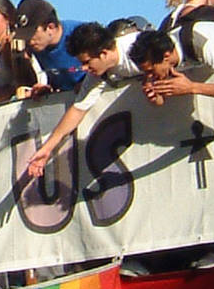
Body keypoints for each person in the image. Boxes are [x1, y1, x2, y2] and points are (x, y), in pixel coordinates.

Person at [25, 22, 143, 178]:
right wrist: (47, 149)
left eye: (87, 62)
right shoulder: (96, 75)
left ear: (104, 53)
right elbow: (78, 110)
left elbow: (172, 55)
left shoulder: (138, 47)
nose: (84, 69)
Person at [128, 27, 214, 105]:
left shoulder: (200, 43)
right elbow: (161, 101)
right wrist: (157, 96)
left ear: (166, 56)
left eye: (151, 71)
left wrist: (192, 87)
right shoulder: (162, 58)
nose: (149, 76)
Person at [12, 0, 88, 93]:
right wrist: (47, 89)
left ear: (50, 27)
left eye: (31, 35)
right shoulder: (38, 47)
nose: (29, 42)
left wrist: (87, 83)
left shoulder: (82, 35)